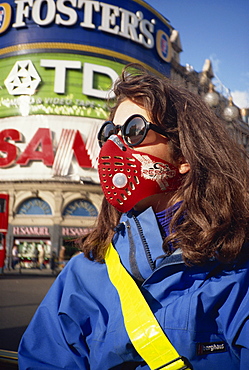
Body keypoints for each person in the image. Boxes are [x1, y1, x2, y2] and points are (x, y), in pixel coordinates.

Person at [18, 64, 249, 369]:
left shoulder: (237, 271)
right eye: (109, 133)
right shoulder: (83, 274)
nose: (113, 146)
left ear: (183, 156)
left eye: (134, 131)